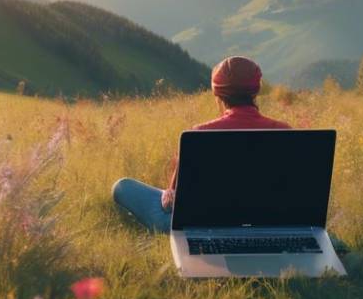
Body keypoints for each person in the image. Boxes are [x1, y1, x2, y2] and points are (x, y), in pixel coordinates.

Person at [112, 56, 290, 232]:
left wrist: (168, 195)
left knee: (123, 186)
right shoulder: (285, 132)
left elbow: (170, 203)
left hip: (202, 227)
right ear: (256, 90)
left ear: (217, 95)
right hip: (269, 225)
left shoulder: (198, 135)